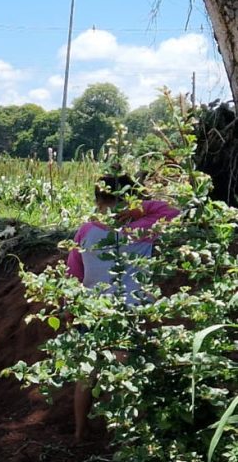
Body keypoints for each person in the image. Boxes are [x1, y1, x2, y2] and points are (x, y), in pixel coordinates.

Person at [66, 174, 179, 441]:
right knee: (122, 375)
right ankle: (120, 437)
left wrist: (68, 308)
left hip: (91, 309)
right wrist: (139, 205)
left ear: (98, 200)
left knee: (86, 374)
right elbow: (174, 211)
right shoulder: (145, 229)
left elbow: (73, 273)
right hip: (129, 312)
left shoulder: (86, 230)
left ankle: (79, 431)